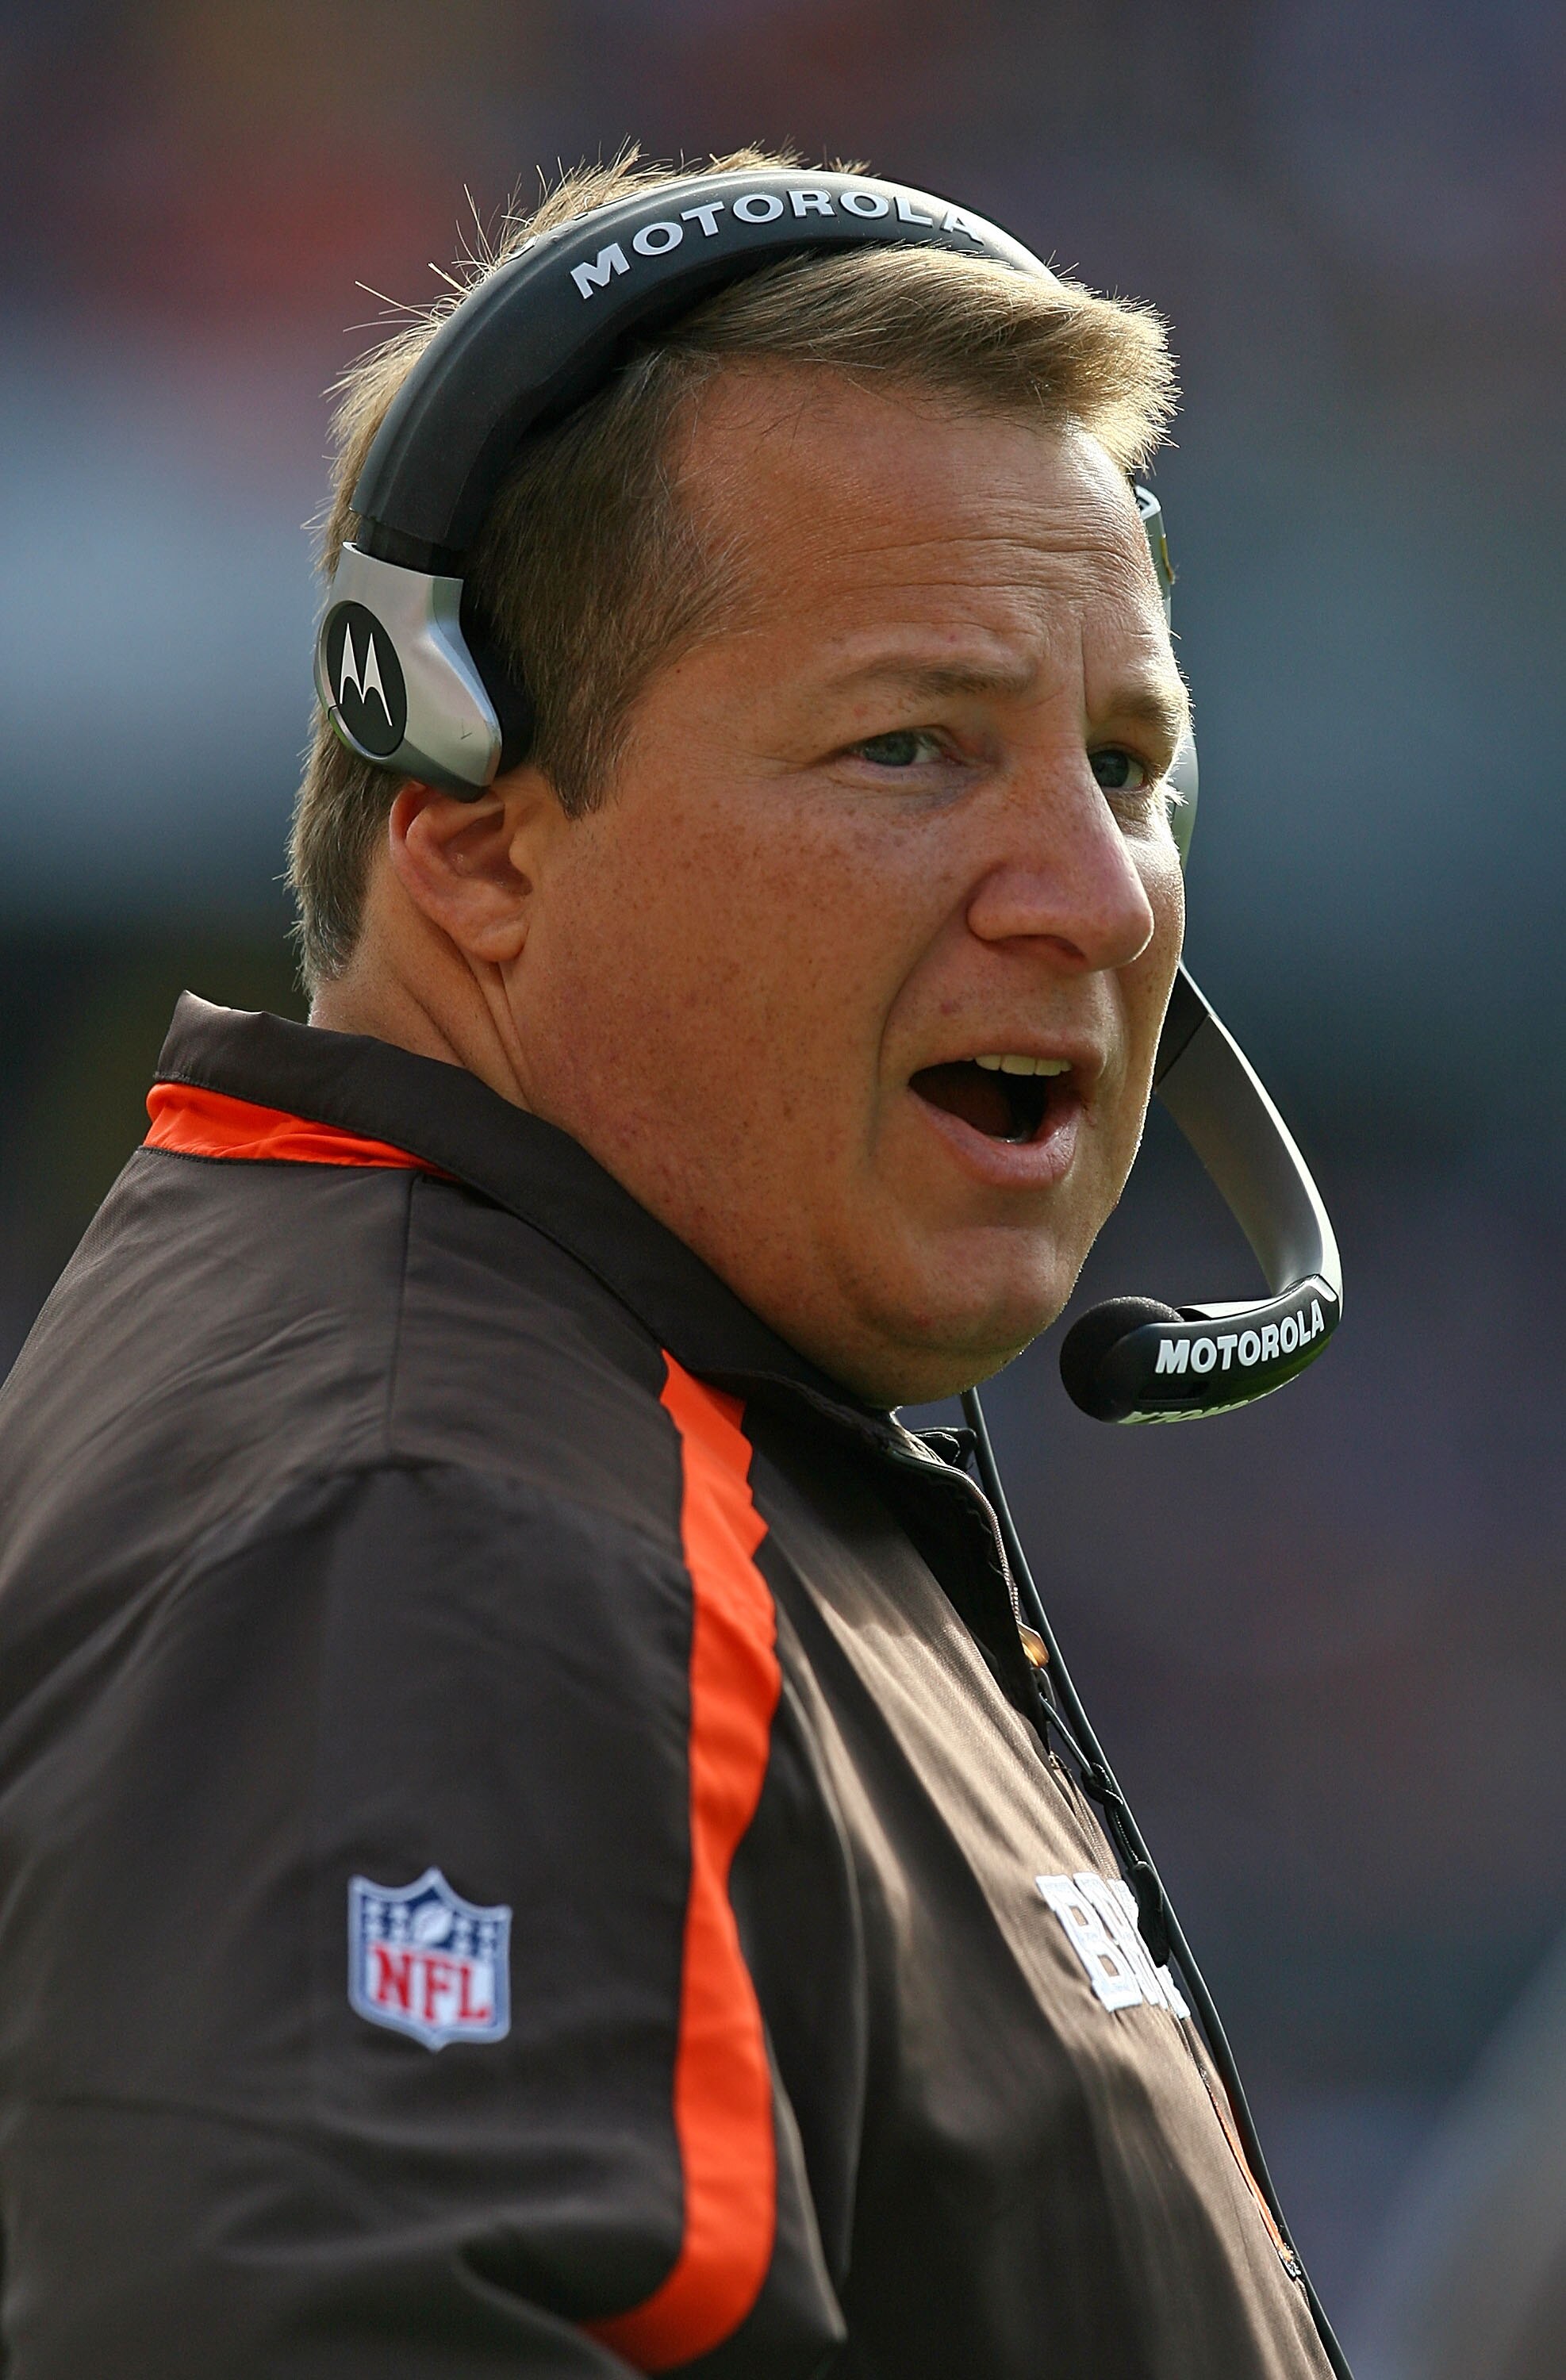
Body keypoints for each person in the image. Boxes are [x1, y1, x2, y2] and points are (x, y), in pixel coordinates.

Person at [0, 149, 1334, 2375]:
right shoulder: (434, 1513)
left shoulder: (597, 1440)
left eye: (1129, 765)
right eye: (917, 744)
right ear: (473, 843)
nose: (1098, 896)